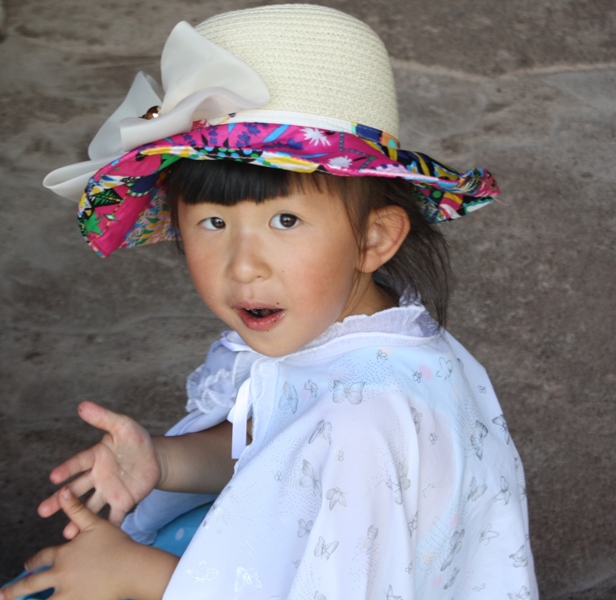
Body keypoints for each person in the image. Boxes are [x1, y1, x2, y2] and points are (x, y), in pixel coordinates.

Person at [1, 4, 538, 600]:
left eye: (285, 219)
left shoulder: (364, 420)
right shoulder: (359, 336)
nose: (244, 264)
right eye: (211, 222)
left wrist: (138, 578)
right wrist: (164, 461)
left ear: (374, 238)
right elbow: (281, 453)